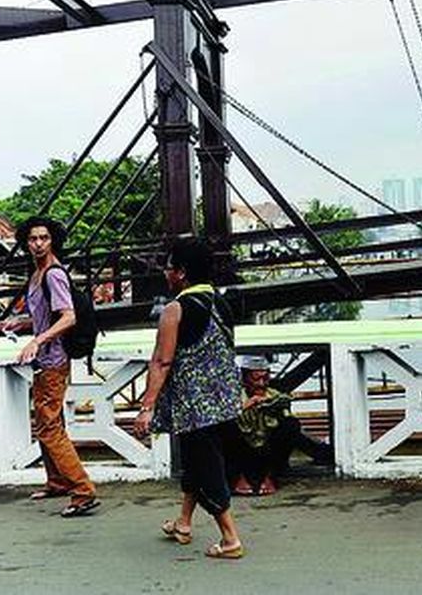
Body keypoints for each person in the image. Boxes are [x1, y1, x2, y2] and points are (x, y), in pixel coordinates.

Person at [134, 238, 245, 560]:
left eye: (169, 267)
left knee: (206, 464)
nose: (166, 273)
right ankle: (183, 523)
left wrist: (147, 406)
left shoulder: (175, 309)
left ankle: (230, 539)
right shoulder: (220, 303)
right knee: (197, 463)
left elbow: (162, 361)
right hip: (223, 399)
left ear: (181, 273)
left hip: (193, 404)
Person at [0, 216, 98, 518]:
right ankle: (57, 482)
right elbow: (47, 316)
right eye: (32, 239)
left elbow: (68, 317)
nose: (38, 243)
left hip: (53, 360)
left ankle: (83, 491)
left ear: (53, 240)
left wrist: (36, 341)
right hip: (45, 359)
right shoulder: (37, 274)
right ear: (25, 243)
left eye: (43, 238)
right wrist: (19, 322)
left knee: (49, 427)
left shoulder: (53, 274)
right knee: (47, 422)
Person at [228, 355, 334, 496]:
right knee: (225, 429)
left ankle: (269, 477)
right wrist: (245, 406)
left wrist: (275, 409)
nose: (261, 383)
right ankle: (239, 478)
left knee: (290, 425)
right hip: (242, 451)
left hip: (267, 451)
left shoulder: (275, 394)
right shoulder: (232, 396)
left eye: (265, 378)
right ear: (244, 379)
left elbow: (288, 426)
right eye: (256, 379)